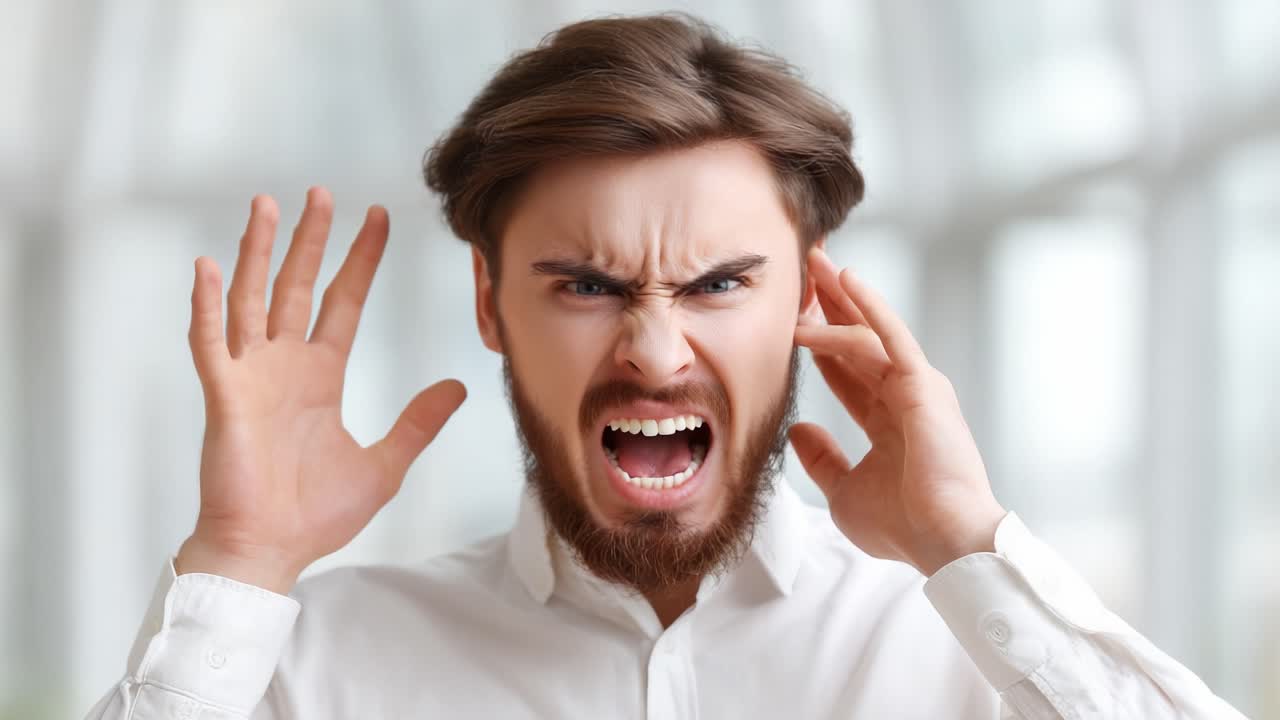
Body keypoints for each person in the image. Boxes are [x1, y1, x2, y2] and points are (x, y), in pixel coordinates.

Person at [87, 13, 1245, 719]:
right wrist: (239, 562)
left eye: (717, 284)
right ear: (490, 305)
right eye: (586, 287)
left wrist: (966, 542)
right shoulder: (316, 664)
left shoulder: (966, 650)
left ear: (806, 299)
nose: (652, 351)